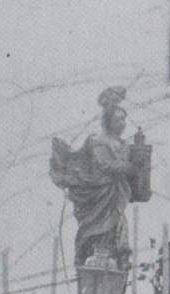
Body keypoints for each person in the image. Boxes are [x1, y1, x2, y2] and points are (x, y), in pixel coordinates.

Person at [50, 86, 141, 270]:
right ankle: (91, 262)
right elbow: (104, 164)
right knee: (97, 230)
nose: (122, 123)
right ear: (107, 121)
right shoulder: (98, 140)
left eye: (124, 119)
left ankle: (117, 262)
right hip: (98, 195)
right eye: (118, 120)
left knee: (117, 227)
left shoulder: (122, 143)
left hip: (116, 195)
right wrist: (129, 167)